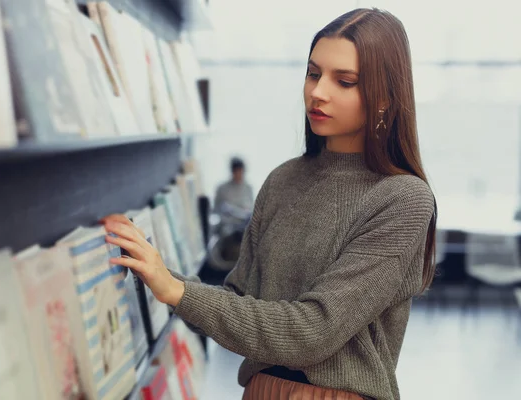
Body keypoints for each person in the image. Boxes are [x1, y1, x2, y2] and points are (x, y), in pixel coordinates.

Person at [102, 8, 437, 400]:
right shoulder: (283, 179)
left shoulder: (403, 199)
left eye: (344, 81)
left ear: (384, 98)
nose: (318, 92)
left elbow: (314, 332)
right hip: (260, 391)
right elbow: (239, 306)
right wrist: (154, 271)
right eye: (313, 74)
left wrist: (176, 290)